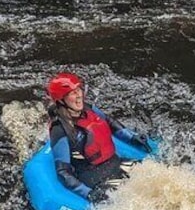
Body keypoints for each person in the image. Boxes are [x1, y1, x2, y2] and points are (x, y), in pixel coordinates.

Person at [45, 72, 153, 203]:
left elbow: (111, 123)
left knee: (154, 178)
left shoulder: (89, 109)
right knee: (138, 201)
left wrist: (132, 137)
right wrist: (89, 194)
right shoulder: (59, 130)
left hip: (116, 163)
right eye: (72, 93)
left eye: (78, 90)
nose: (79, 95)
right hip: (95, 178)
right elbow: (63, 172)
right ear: (61, 100)